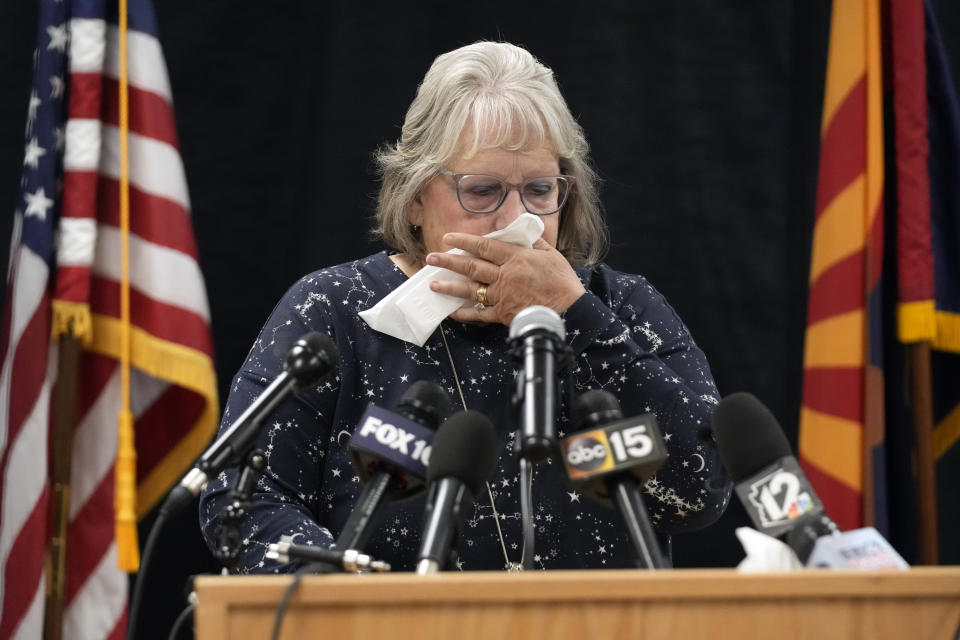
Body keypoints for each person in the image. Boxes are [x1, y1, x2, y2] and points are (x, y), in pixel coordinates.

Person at [199, 41, 731, 573]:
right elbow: (242, 498)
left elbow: (700, 491)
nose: (515, 219)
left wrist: (573, 313)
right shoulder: (334, 310)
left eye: (541, 190)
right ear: (411, 198)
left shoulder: (622, 307)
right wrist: (341, 599)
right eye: (483, 191)